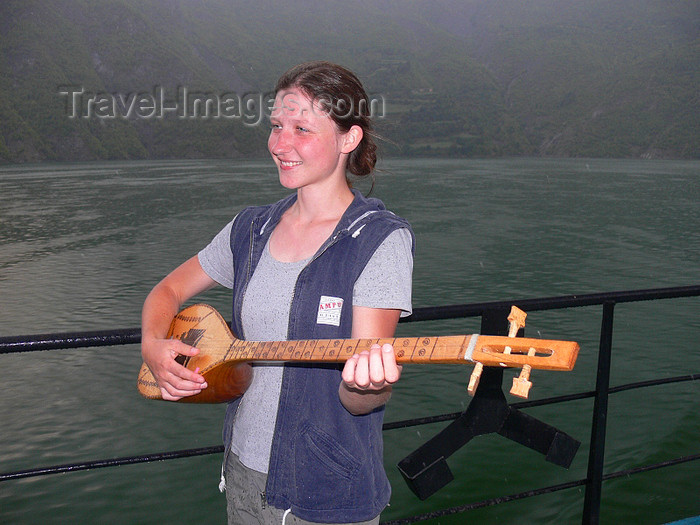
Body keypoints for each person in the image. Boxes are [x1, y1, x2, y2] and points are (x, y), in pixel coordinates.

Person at [141, 61, 414, 525]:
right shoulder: (251, 228)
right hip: (243, 476)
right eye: (276, 126)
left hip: (323, 494)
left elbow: (361, 401)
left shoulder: (378, 241)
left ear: (349, 139)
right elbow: (167, 289)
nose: (280, 144)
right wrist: (152, 346)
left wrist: (369, 383)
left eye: (302, 129)